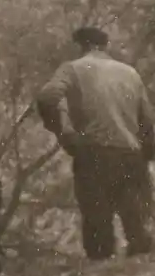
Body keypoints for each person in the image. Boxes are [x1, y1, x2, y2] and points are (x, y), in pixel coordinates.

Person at [36, 26, 155, 261]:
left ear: (81, 46)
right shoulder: (130, 73)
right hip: (130, 154)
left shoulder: (72, 69)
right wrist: (146, 155)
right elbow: (148, 120)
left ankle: (104, 275)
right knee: (137, 228)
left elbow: (47, 97)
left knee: (98, 229)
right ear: (105, 46)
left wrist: (64, 133)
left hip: (94, 154)